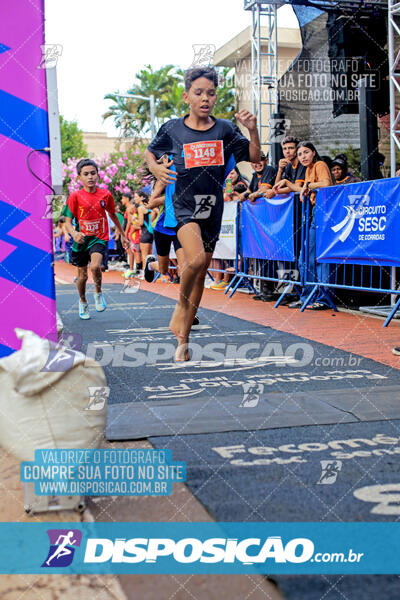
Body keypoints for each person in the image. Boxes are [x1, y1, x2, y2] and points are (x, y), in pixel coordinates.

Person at [145, 66, 261, 361]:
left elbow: (255, 158)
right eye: (198, 93)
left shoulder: (224, 129)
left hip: (212, 207)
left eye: (210, 93)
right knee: (194, 260)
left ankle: (183, 338)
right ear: (187, 97)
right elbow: (150, 151)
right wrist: (155, 167)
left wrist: (253, 129)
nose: (205, 98)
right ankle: (180, 311)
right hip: (183, 207)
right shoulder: (173, 128)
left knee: (198, 277)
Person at [63, 158, 128, 319]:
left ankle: (98, 292)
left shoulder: (105, 195)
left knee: (95, 267)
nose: (90, 177)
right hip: (81, 239)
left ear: (98, 175)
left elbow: (113, 215)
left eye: (93, 173)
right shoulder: (75, 196)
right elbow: (68, 222)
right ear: (79, 178)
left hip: (99, 237)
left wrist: (123, 234)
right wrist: (74, 233)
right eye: (86, 174)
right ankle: (83, 301)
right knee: (82, 276)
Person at [284, 141, 335, 310]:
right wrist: (304, 190)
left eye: (306, 152)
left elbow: (326, 183)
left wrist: (307, 186)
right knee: (305, 257)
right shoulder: (307, 169)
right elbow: (305, 189)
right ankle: (308, 295)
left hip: (324, 213)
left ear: (313, 152)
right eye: (300, 154)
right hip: (314, 213)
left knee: (319, 256)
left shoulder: (320, 164)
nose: (303, 156)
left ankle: (323, 297)